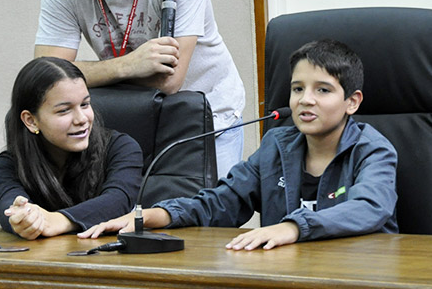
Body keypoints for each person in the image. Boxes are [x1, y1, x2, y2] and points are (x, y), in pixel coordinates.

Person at [80, 39, 398, 250]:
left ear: (352, 102)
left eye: (323, 90)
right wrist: (157, 215)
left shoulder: (372, 149)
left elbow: (370, 208)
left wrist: (293, 228)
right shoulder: (277, 144)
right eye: (298, 89)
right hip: (292, 278)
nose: (306, 100)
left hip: (360, 275)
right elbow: (223, 202)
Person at [34, 0, 246, 178]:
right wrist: (129, 64)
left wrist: (87, 74)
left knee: (207, 218)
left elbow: (169, 81)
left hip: (209, 117)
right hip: (133, 116)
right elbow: (46, 75)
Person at [0, 57, 143, 239]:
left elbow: (118, 200)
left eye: (85, 104)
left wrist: (59, 220)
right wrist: (24, 220)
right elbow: (9, 205)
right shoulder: (6, 166)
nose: (82, 119)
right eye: (64, 110)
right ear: (31, 120)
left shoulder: (121, 148)